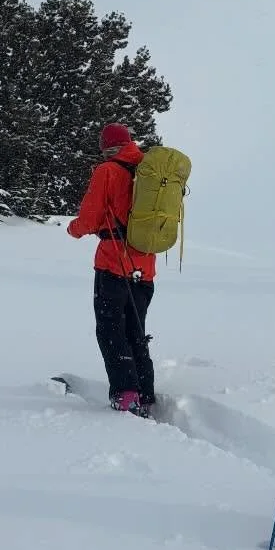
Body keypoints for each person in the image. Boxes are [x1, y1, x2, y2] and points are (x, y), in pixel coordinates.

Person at [66, 123, 158, 414]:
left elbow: (90, 219)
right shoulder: (149, 172)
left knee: (111, 331)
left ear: (106, 146)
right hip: (145, 269)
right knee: (136, 330)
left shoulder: (107, 171)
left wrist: (73, 229)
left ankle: (126, 395)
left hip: (113, 264)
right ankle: (144, 394)